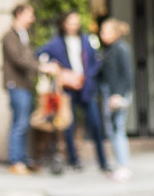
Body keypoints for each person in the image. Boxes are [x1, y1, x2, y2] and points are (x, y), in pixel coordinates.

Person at [38, 10, 109, 171]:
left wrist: (86, 77)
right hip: (68, 90)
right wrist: (60, 71)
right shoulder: (56, 43)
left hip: (86, 89)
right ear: (64, 24)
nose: (74, 25)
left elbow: (96, 61)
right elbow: (40, 55)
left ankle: (103, 161)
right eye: (71, 22)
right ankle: (73, 160)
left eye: (76, 22)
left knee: (96, 124)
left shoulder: (86, 41)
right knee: (69, 125)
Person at [97, 18, 135, 181]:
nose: (102, 34)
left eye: (105, 31)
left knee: (117, 129)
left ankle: (124, 166)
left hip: (117, 95)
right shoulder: (109, 49)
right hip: (111, 94)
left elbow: (128, 76)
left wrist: (118, 95)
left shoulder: (121, 49)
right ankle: (120, 165)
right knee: (113, 130)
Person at [2, 3, 37, 173]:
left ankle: (23, 159)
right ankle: (15, 161)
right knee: (19, 123)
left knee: (24, 123)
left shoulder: (24, 35)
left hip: (26, 85)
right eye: (30, 15)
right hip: (17, 85)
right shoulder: (10, 36)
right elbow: (18, 60)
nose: (33, 19)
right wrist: (40, 67)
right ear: (20, 15)